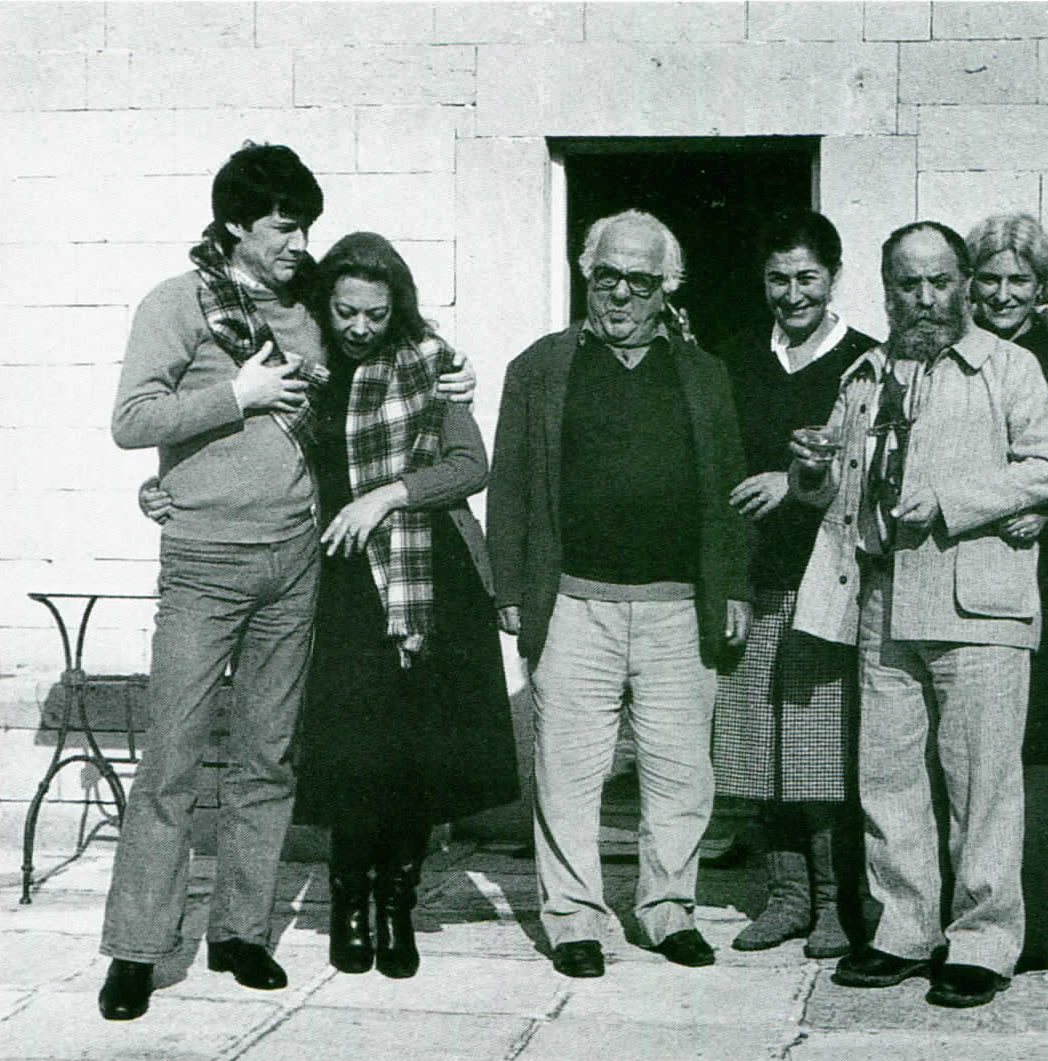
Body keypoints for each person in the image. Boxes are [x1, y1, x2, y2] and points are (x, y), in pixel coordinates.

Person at [100, 143, 475, 1022]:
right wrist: (235, 395)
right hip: (204, 561)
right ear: (236, 224)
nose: (299, 244)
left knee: (267, 759)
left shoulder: (307, 309)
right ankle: (136, 950)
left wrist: (454, 370)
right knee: (172, 760)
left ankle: (239, 931)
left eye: (305, 227)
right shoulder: (178, 302)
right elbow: (132, 419)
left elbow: (387, 350)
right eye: (283, 227)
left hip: (297, 561)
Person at [790, 221, 1048, 1008]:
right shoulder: (866, 375)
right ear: (887, 291)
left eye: (940, 281)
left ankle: (983, 941)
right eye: (908, 284)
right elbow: (835, 489)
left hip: (978, 603)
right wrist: (811, 469)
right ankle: (904, 929)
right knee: (888, 777)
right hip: (882, 599)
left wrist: (951, 499)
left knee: (982, 783)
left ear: (964, 284)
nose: (925, 298)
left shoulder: (1008, 367)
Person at [488, 209, 752, 980]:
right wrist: (510, 585)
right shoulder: (540, 367)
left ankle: (667, 909)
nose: (622, 294)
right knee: (567, 771)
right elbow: (509, 485)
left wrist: (733, 585)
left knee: (679, 771)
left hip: (678, 608)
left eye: (641, 279)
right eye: (608, 276)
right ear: (587, 274)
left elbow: (730, 488)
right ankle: (574, 917)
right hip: (574, 603)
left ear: (667, 288)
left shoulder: (704, 373)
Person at [292, 233, 517, 980]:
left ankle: (396, 903)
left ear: (399, 308)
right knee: (357, 751)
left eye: (376, 313)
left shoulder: (429, 362)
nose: (360, 326)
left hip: (429, 577)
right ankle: (349, 904)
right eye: (346, 311)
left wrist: (386, 496)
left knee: (417, 754)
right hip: (343, 580)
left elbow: (471, 465)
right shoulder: (302, 369)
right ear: (325, 304)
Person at [712, 210, 876, 959]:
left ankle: (838, 901)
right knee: (761, 746)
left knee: (820, 750)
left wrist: (793, 479)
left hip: (829, 582)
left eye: (807, 277)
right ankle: (785, 897)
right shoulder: (735, 359)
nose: (792, 292)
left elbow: (872, 467)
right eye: (778, 278)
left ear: (833, 277)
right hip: (756, 579)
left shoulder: (865, 363)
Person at [964, 212, 1048, 975]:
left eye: (1020, 279)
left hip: (1040, 561)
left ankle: (1037, 924)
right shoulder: (956, 352)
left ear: (1042, 285)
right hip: (966, 558)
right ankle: (971, 917)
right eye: (990, 278)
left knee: (1038, 737)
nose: (1004, 293)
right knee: (972, 736)